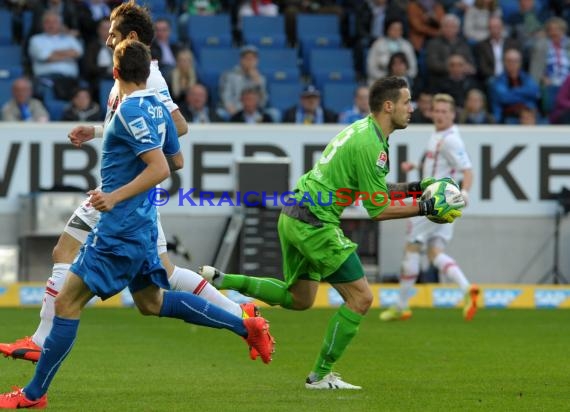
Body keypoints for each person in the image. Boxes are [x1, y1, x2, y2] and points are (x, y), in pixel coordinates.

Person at [0, 39, 274, 409]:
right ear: (148, 72)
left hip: (119, 229)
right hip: (143, 226)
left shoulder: (128, 112)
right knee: (151, 302)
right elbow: (175, 161)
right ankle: (245, 325)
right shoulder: (159, 109)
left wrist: (114, 196)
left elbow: (160, 168)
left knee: (66, 304)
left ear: (115, 73)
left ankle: (33, 395)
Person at [199, 77, 465, 390]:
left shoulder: (364, 132)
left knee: (299, 298)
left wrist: (417, 187)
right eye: (407, 102)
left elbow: (375, 191)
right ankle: (320, 375)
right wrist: (426, 208)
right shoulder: (371, 144)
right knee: (362, 298)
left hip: (294, 213)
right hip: (316, 222)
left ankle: (222, 280)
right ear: (389, 106)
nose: (413, 108)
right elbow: (376, 210)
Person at [380, 93, 478, 323]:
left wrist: (465, 194)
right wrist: (416, 165)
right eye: (438, 111)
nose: (441, 115)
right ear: (431, 112)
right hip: (442, 202)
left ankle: (401, 305)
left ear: (453, 114)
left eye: (446, 111)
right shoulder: (439, 136)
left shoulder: (452, 140)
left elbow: (468, 170)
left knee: (411, 248)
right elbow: (441, 166)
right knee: (435, 253)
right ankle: (467, 289)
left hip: (435, 201)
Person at [218, 44, 267, 118]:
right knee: (220, 113)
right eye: (247, 58)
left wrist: (258, 84)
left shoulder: (260, 79)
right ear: (241, 60)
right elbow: (226, 96)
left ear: (257, 61)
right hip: (234, 109)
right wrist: (230, 107)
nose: (250, 62)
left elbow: (262, 103)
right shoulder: (230, 75)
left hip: (253, 111)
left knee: (274, 113)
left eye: (253, 59)